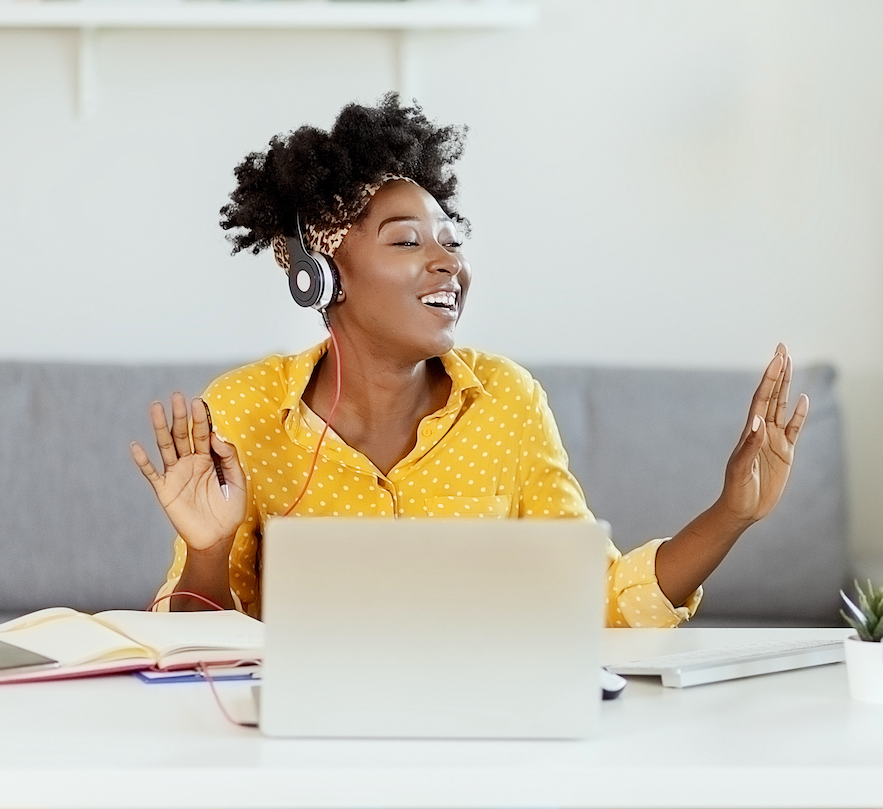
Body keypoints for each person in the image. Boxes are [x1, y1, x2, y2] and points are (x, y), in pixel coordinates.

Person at [131, 95, 809, 626]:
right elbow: (196, 659)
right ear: (322, 274)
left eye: (452, 242)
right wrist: (208, 548)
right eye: (407, 242)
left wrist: (731, 513)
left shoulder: (506, 399)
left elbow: (595, 600)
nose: (448, 262)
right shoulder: (244, 412)